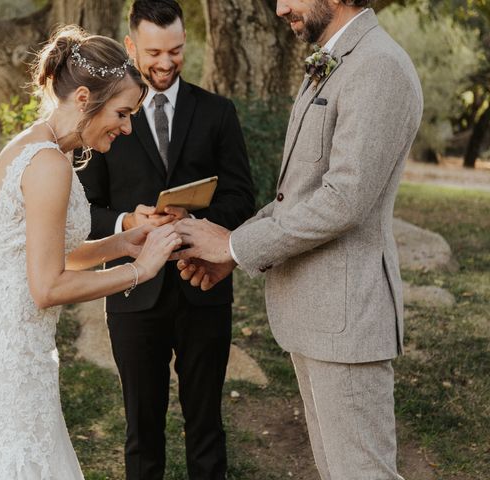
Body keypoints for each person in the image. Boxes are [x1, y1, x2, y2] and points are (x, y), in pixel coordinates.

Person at [174, 1, 423, 479]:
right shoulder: (338, 60)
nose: (280, 8)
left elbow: (343, 200)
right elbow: (298, 195)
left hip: (347, 322)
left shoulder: (378, 66)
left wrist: (232, 247)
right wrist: (235, 245)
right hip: (317, 317)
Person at [0, 25, 182, 480]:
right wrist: (140, 270)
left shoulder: (38, 144)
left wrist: (122, 242)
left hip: (0, 331)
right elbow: (48, 286)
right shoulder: (49, 164)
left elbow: (52, 257)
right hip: (10, 344)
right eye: (122, 112)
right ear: (83, 99)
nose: (128, 126)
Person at [76, 1, 255, 479]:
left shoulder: (217, 112)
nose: (165, 62)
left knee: (206, 428)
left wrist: (195, 222)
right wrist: (127, 225)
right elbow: (86, 211)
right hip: (133, 295)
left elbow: (243, 197)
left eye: (176, 50)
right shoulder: (105, 120)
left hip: (205, 289)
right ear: (132, 46)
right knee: (142, 431)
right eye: (154, 52)